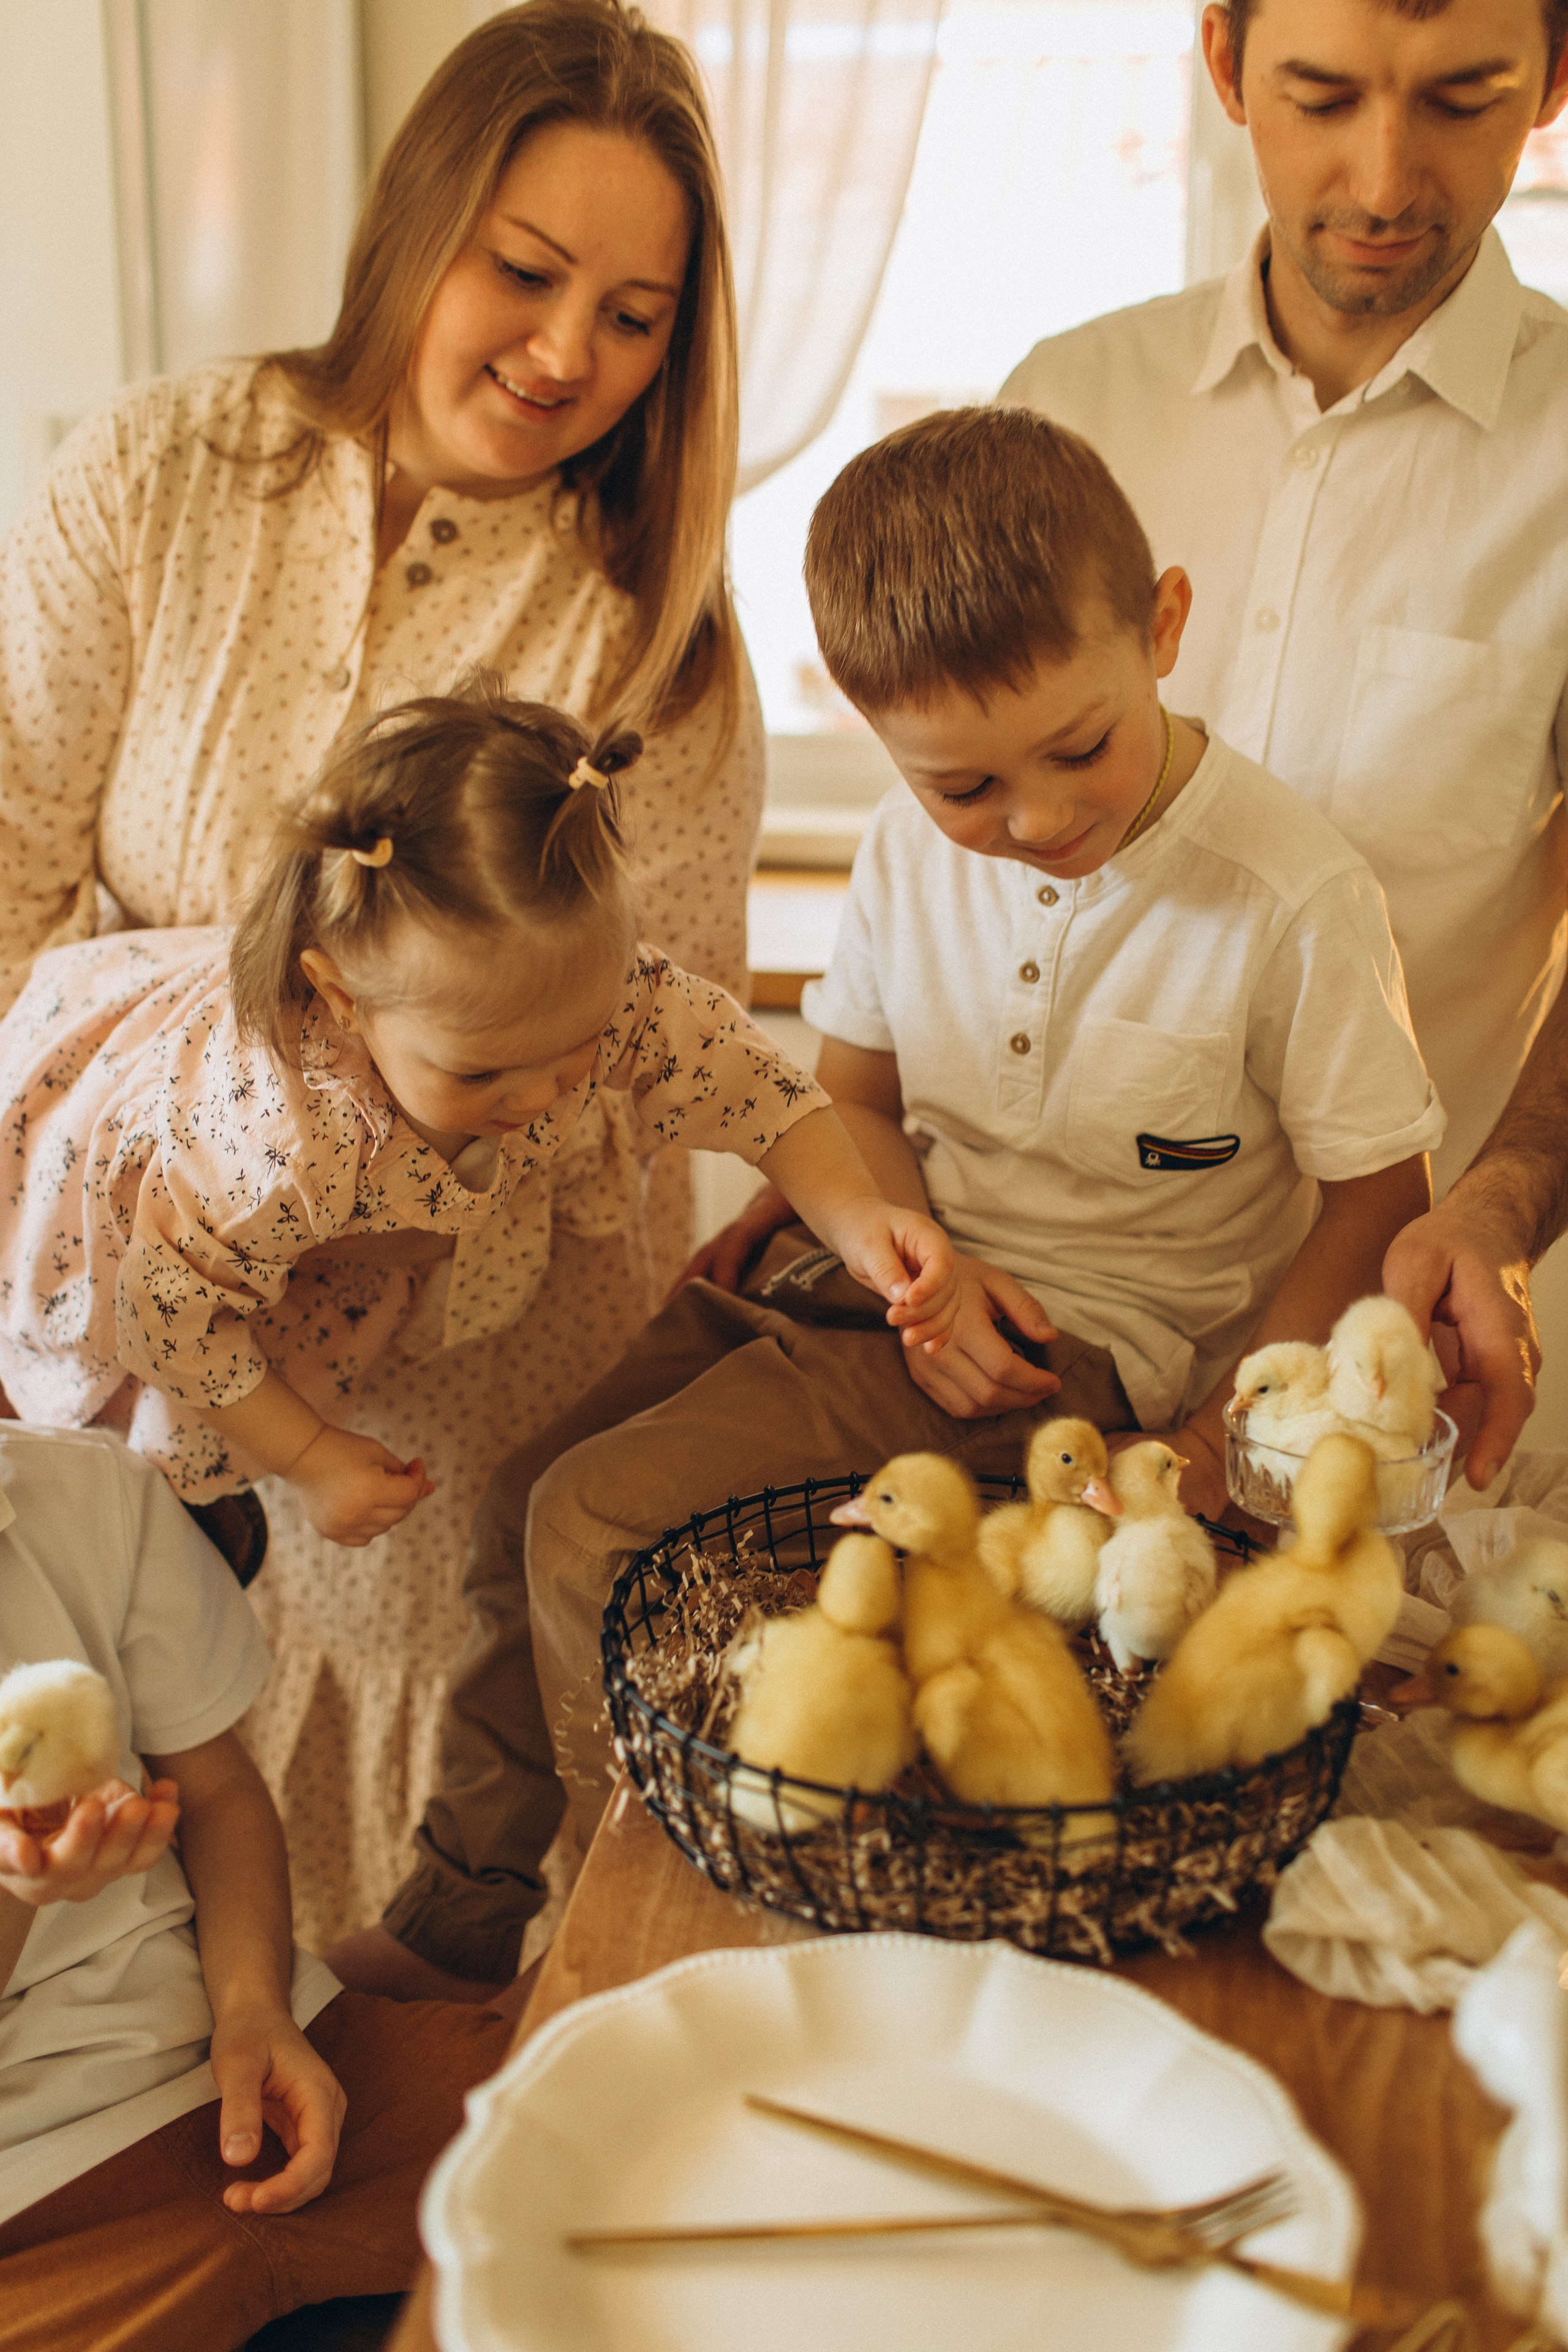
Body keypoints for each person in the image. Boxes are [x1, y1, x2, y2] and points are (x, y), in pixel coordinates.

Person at [352, 406, 1443, 1994]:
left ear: (1164, 627)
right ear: (875, 738)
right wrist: (890, 1251)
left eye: (1081, 748)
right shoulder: (899, 852)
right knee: (521, 1492)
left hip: (1070, 1361)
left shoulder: (1288, 894)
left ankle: (613, 1921)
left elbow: (1371, 1202)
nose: (1038, 818)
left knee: (592, 1522)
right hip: (878, 1275)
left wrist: (1217, 1438)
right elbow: (852, 1102)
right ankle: (461, 1909)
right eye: (963, 785)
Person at [0, 0, 764, 1947]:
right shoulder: (160, 475)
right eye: (524, 271)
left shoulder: (645, 632)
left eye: (637, 311)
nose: (566, 352)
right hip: (118, 1339)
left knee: (421, 1912)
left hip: (473, 1390)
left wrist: (351, 1245)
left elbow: (634, 1057)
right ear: (417, 222)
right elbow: (6, 854)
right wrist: (110, 1135)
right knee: (135, 1853)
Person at [998, 0, 1568, 1490]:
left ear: (1554, 85)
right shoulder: (1065, 405)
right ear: (1223, 67)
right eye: (1320, 97)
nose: (1381, 183)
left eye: (1459, 102)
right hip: (1033, 1347)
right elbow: (960, 852)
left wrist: (1505, 1197)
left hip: (1388, 1375)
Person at [0, 687, 956, 1551]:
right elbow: (170, 1313)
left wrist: (855, 1219)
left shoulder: (584, 987)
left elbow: (749, 1084)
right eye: (484, 1071)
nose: (540, 1097)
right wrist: (311, 1457)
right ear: (340, 998)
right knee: (136, 1471)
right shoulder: (270, 1143)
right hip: (136, 1199)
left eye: (572, 1051)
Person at [0, 1420, 511, 2352]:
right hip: (35, 2209)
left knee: (634, 2153)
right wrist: (20, 1894)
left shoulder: (87, 1493)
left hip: (265, 2060)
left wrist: (254, 2010)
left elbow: (220, 1792)